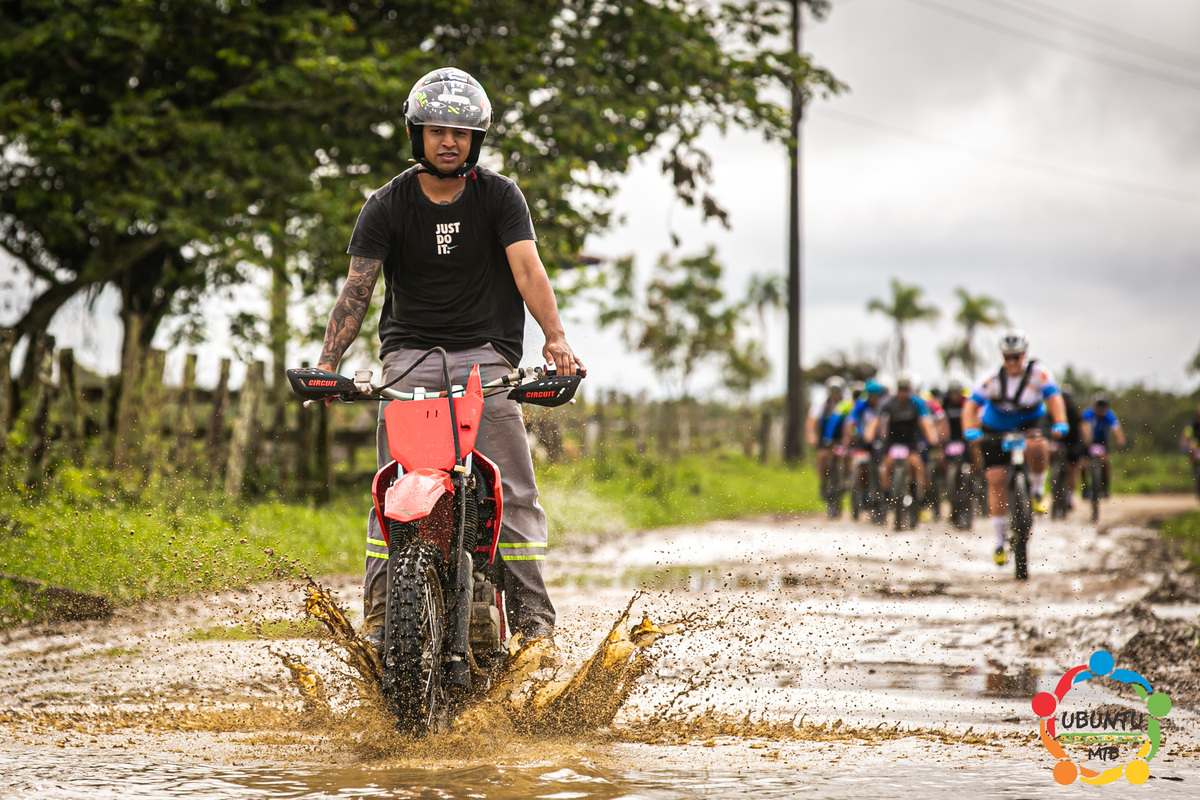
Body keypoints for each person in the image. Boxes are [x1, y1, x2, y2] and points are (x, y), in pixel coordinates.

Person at [315, 67, 584, 650]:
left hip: (487, 359)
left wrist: (556, 339)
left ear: (475, 141)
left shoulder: (501, 196)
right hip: (407, 359)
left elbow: (527, 269)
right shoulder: (386, 204)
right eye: (437, 131)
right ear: (417, 135)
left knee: (512, 489)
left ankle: (534, 624)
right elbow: (357, 289)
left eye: (460, 133)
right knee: (390, 489)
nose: (448, 142)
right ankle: (381, 615)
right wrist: (329, 362)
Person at [961, 331, 1067, 566]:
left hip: (1031, 423)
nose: (1011, 362)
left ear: (1024, 355)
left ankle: (1037, 491)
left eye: (1016, 357)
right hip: (995, 427)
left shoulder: (1039, 374)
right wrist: (970, 430)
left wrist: (1060, 422)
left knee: (1038, 446)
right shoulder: (990, 379)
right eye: (1007, 357)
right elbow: (970, 407)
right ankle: (999, 542)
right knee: (995, 478)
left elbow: (1054, 399)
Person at [866, 374, 939, 501]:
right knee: (886, 466)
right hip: (892, 441)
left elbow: (925, 422)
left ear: (909, 390)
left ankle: (915, 492)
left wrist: (932, 439)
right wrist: (869, 437)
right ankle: (886, 495)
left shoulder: (917, 403)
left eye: (905, 390)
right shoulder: (888, 403)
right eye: (901, 389)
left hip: (911, 440)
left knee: (916, 464)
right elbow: (875, 421)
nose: (903, 393)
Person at [807, 376, 852, 497]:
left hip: (842, 432)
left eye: (837, 391)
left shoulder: (847, 402)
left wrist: (849, 437)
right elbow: (812, 419)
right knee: (822, 456)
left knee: (847, 453)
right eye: (832, 391)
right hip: (825, 432)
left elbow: (851, 420)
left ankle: (846, 476)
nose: (835, 394)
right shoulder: (821, 401)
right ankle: (823, 483)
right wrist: (811, 435)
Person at [1081, 393, 1125, 498]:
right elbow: (1084, 426)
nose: (1101, 409)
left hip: (1103, 442)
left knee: (1105, 463)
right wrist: (1087, 439)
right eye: (1099, 406)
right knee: (1083, 465)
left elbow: (1116, 430)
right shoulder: (1088, 414)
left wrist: (1120, 442)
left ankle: (1105, 487)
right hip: (1089, 442)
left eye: (1103, 406)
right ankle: (1085, 487)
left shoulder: (1109, 415)